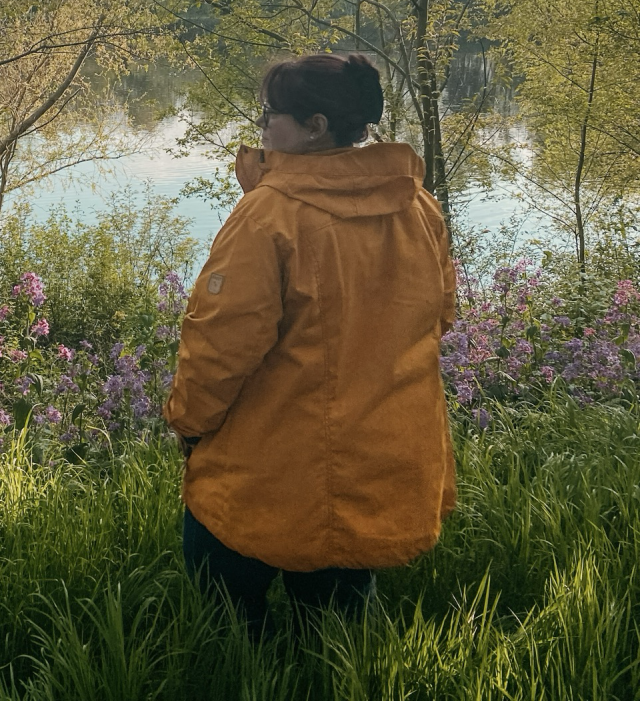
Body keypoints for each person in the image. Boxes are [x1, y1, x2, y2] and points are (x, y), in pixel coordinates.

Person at [163, 52, 456, 633]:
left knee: (224, 601)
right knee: (337, 626)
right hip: (377, 454)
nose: (262, 126)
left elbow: (221, 344)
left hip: (270, 461)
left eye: (271, 115)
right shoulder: (415, 204)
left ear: (316, 126)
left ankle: (246, 675)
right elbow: (439, 314)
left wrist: (189, 423)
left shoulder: (270, 214)